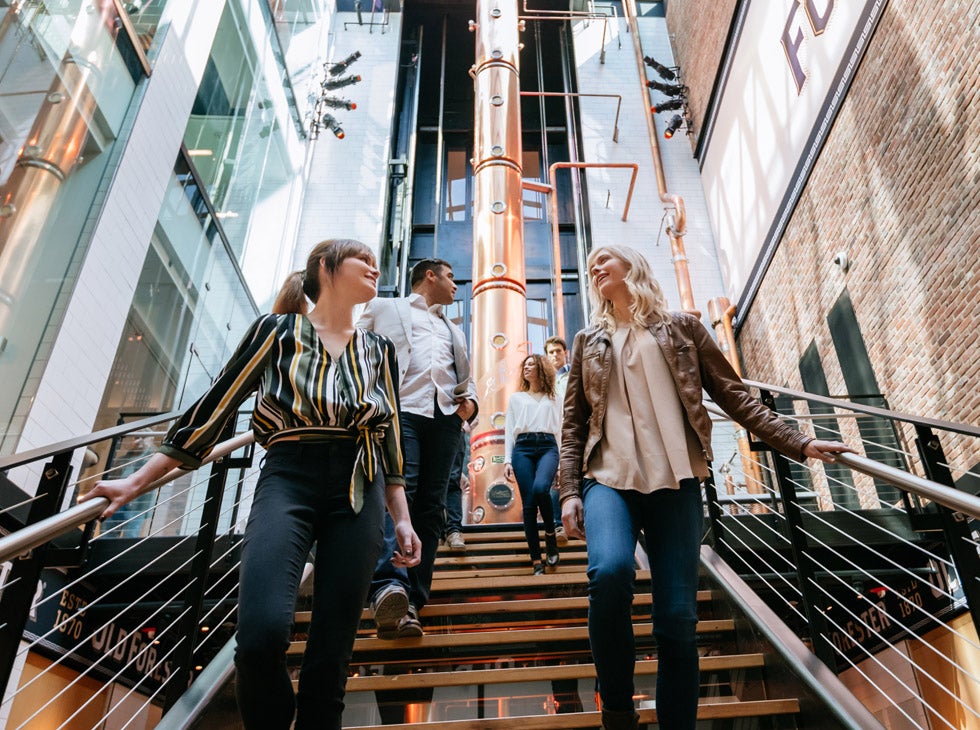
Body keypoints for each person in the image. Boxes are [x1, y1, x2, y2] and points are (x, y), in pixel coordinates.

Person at [79, 239, 422, 730]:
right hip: (289, 475)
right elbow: (212, 413)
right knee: (260, 635)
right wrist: (135, 483)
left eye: (375, 261)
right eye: (360, 259)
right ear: (324, 268)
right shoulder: (276, 332)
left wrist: (403, 519)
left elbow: (389, 447)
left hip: (359, 486)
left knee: (331, 655)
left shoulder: (380, 350)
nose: (374, 267)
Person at [558, 245, 854, 730]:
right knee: (610, 573)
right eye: (589, 262)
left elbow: (734, 395)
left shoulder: (683, 328)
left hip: (676, 480)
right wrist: (570, 491)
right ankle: (616, 707)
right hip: (608, 478)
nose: (593, 266)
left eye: (604, 258)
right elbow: (573, 424)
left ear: (631, 267)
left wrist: (798, 442)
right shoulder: (588, 340)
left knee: (676, 620)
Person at [358, 258, 478, 639]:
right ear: (430, 276)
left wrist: (469, 407)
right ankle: (388, 587)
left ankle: (412, 600)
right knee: (401, 494)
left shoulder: (453, 329)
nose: (456, 286)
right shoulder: (385, 308)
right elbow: (353, 351)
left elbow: (465, 377)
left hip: (444, 419)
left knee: (431, 507)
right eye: (451, 276)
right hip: (400, 412)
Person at [504, 354, 563, 575]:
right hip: (522, 448)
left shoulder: (555, 398)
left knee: (540, 489)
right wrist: (508, 460)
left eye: (531, 365)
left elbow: (559, 430)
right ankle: (536, 561)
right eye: (525, 365)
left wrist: (559, 465)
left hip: (548, 446)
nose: (526, 368)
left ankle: (550, 534)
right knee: (529, 505)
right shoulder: (516, 398)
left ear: (541, 369)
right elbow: (509, 430)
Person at [544, 335, 571, 545]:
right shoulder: (544, 381)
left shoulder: (574, 374)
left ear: (565, 353)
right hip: (553, 434)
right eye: (551, 352)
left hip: (574, 431)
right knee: (555, 478)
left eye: (558, 351)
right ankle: (558, 524)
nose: (555, 355)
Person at [444, 428, 469, 551]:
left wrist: (463, 423)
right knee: (427, 480)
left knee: (453, 479)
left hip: (453, 426)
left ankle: (454, 531)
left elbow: (472, 410)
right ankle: (434, 531)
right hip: (423, 423)